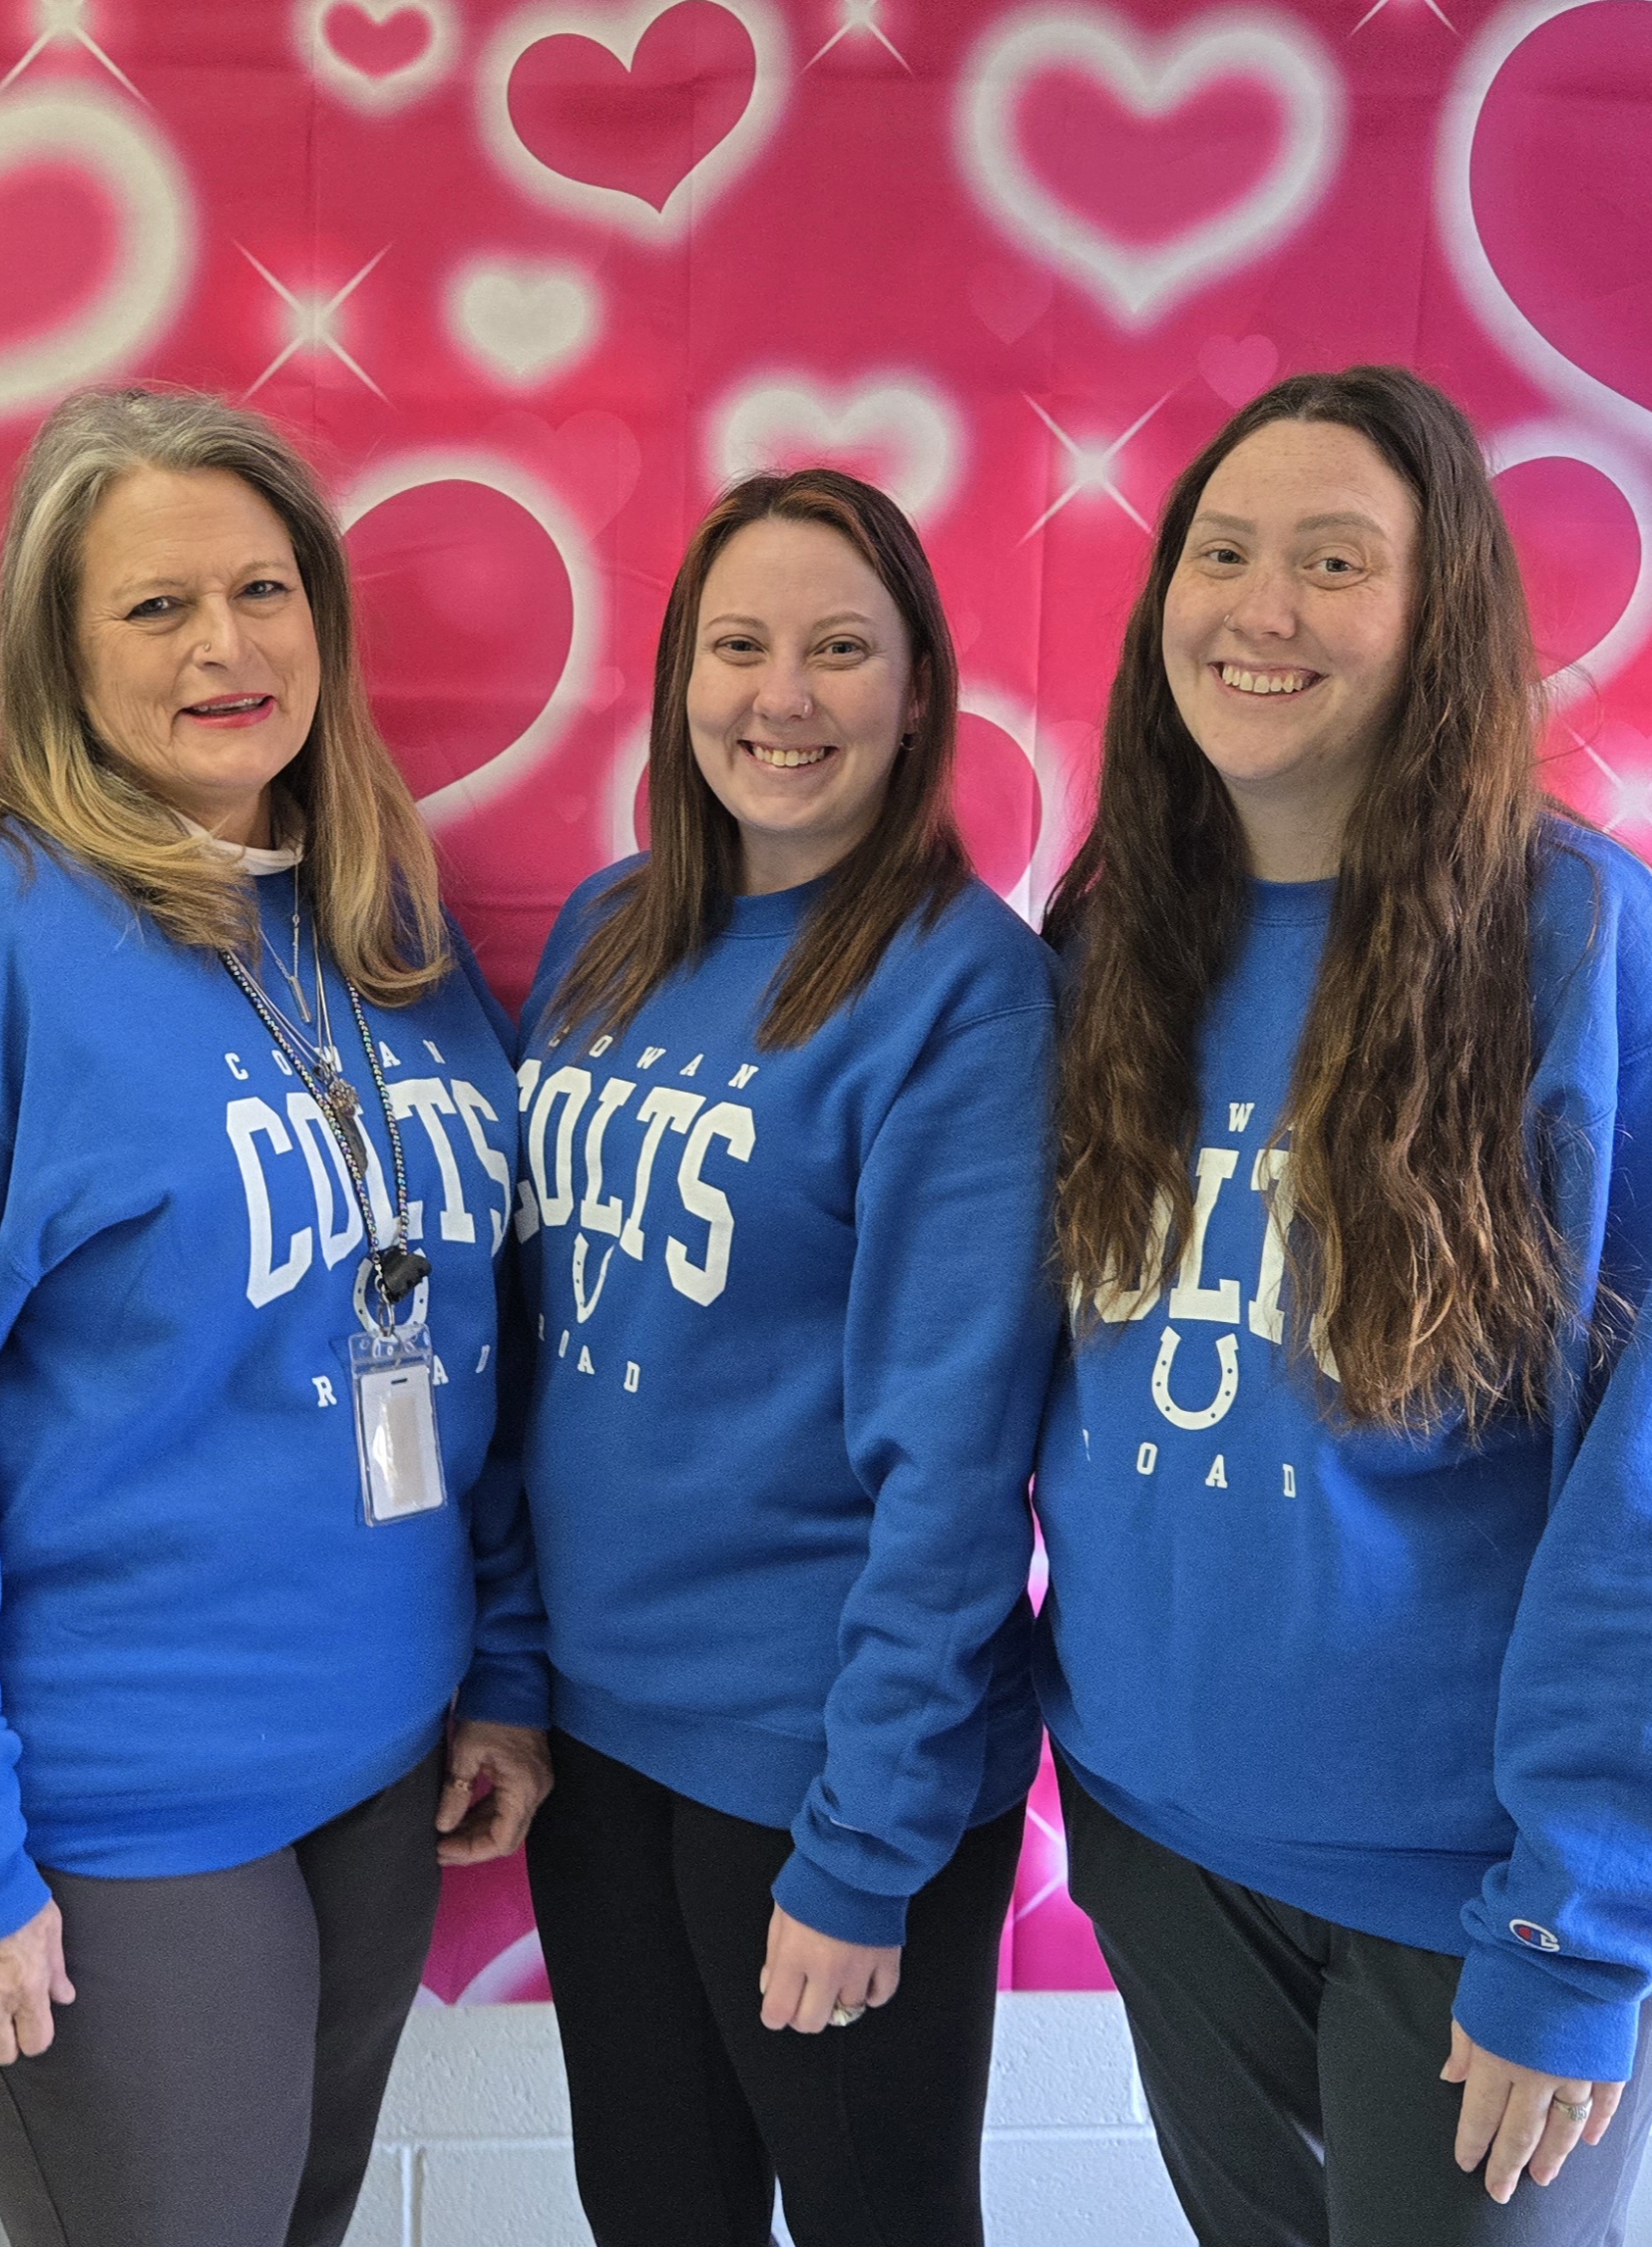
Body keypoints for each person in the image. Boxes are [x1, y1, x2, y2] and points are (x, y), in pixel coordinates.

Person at [0, 384, 552, 2247]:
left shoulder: (382, 933)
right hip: (95, 1808)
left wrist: (501, 1662)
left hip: (376, 1772)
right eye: (156, 606)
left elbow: (469, 1339)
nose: (224, 647)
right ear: (57, 653)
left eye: (263, 593)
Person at [1034, 364, 1652, 2246]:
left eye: (1334, 561)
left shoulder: (1576, 941)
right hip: (1162, 1838)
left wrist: (1578, 1926)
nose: (1260, 608)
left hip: (1473, 1886)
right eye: (1221, 551)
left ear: (1440, 619)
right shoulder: (1105, 940)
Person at [513, 468, 1059, 2247]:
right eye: (740, 646)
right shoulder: (605, 934)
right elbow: (525, 1352)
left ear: (917, 692)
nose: (784, 696)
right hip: (599, 1747)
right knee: (652, 2215)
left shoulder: (960, 990)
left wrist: (868, 1840)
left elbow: (958, 1459)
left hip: (826, 1758)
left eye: (841, 649)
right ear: (678, 679)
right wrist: (512, 1672)